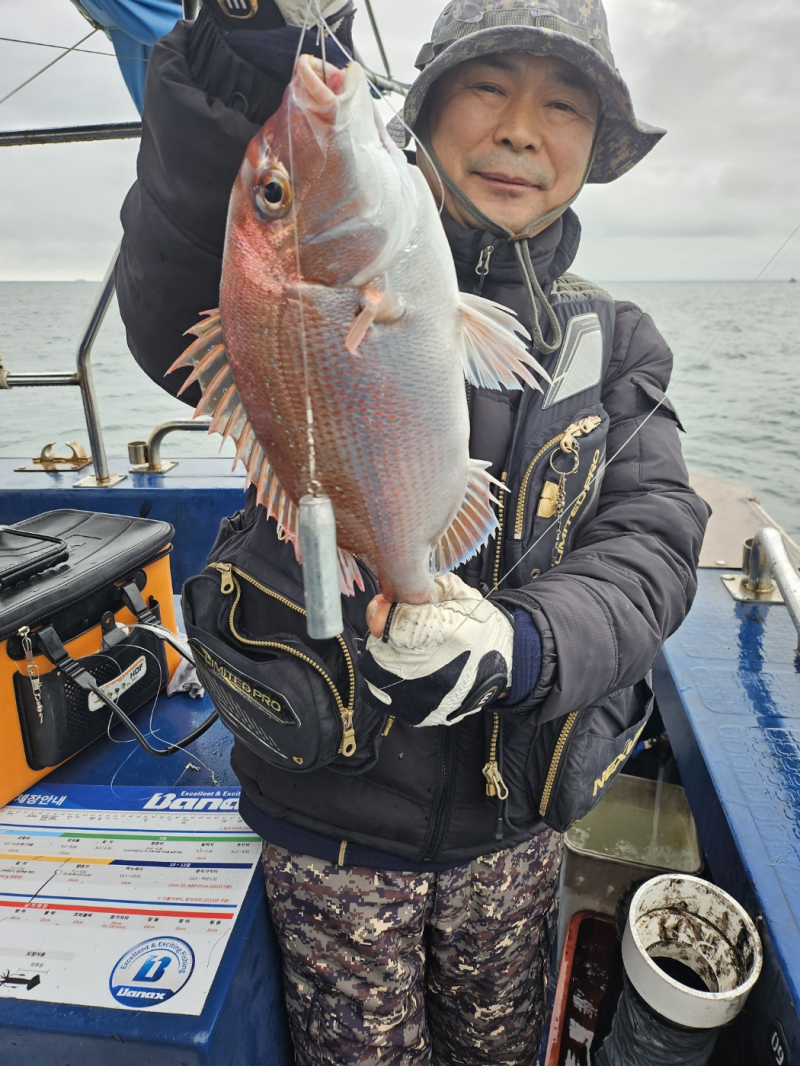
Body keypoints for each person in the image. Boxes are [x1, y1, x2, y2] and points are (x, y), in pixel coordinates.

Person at [116, 0, 711, 1063]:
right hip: (327, 832)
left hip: (511, 831)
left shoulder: (615, 345)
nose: (520, 129)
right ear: (421, 113)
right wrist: (249, 36)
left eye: (562, 104)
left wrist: (521, 644)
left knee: (500, 1043)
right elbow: (181, 303)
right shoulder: (292, 264)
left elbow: (653, 543)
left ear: (594, 149)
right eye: (486, 88)